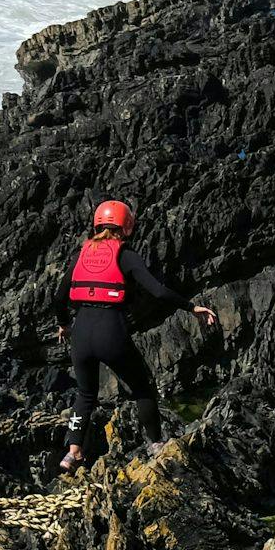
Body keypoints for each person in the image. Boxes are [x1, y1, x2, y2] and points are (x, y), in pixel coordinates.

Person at [55, 198, 217, 474]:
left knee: (85, 393)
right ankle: (155, 444)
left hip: (80, 333)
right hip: (111, 332)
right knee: (142, 388)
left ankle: (72, 453)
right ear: (127, 226)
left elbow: (59, 295)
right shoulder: (125, 254)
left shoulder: (82, 253)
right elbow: (158, 291)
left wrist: (63, 325)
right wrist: (191, 307)